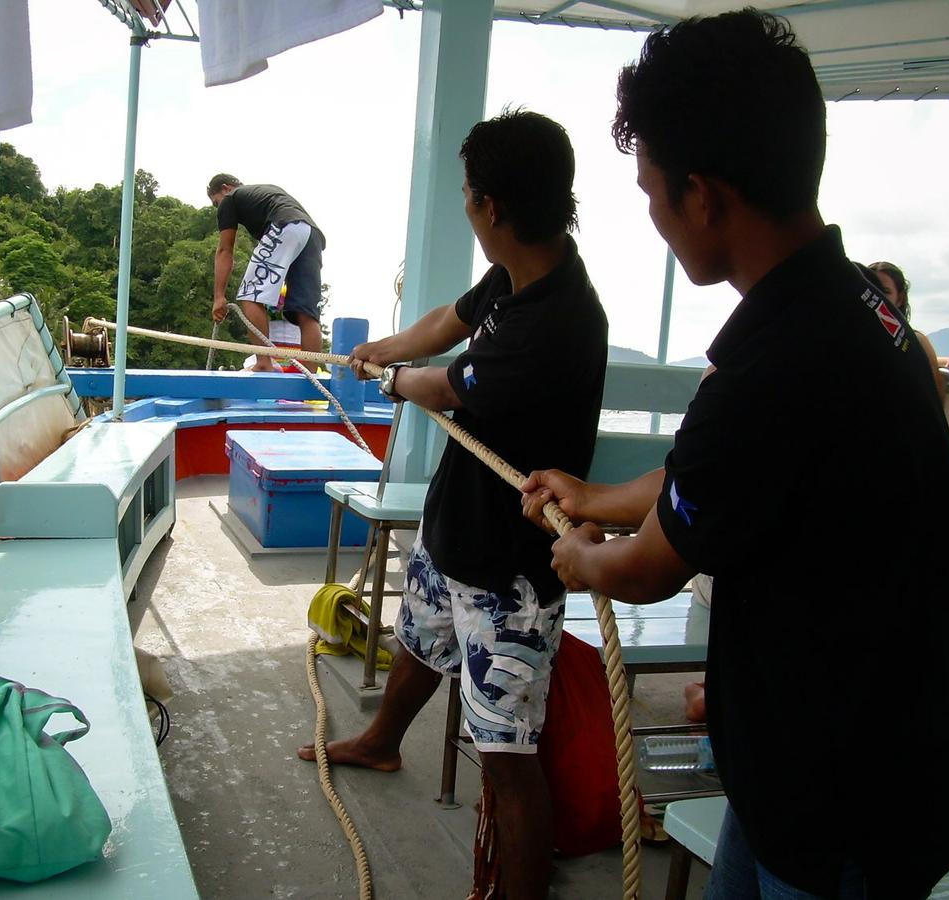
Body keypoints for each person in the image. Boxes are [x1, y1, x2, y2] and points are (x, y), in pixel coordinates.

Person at [521, 10, 949, 899]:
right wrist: (594, 495)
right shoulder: (867, 316)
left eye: (652, 194)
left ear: (704, 196)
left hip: (839, 813)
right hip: (818, 767)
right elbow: (716, 479)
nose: (654, 218)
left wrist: (580, 556)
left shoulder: (771, 371)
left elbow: (649, 570)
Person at [297, 109, 608, 899]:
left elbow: (448, 385)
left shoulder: (558, 321)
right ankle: (380, 740)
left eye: (469, 193)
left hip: (511, 577)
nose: (467, 204)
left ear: (489, 206)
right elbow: (449, 324)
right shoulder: (521, 269)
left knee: (508, 760)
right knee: (421, 637)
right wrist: (385, 349)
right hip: (457, 536)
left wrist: (396, 381)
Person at [207, 174, 326, 372]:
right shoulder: (263, 193)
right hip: (311, 233)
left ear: (226, 188)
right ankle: (311, 374)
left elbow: (225, 250)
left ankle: (263, 363)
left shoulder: (231, 198)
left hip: (285, 225)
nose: (218, 208)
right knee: (306, 312)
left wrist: (219, 297)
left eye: (215, 202)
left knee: (250, 295)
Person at [867, 260, 947, 402]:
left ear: (900, 299)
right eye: (872, 289)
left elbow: (935, 398)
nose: (878, 297)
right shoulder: (853, 339)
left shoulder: (916, 342)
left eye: (885, 292)